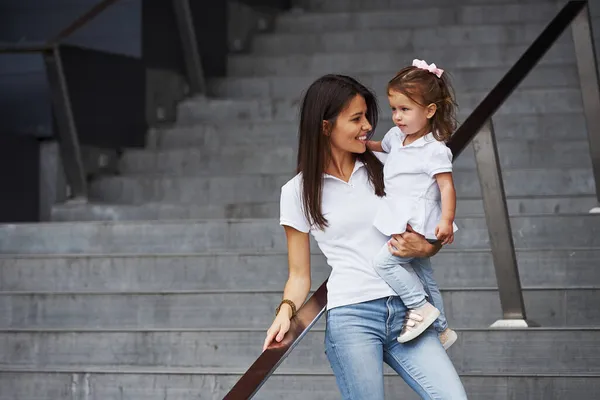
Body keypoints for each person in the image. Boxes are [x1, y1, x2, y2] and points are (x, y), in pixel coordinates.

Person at [263, 74, 467, 399]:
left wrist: (427, 248)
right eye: (356, 118)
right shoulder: (297, 192)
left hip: (408, 311)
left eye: (367, 117)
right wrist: (285, 312)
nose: (368, 126)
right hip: (353, 317)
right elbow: (299, 275)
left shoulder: (390, 162)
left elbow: (428, 221)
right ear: (326, 126)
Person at [366, 59, 459, 349]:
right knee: (423, 272)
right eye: (394, 109)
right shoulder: (397, 137)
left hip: (419, 220)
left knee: (385, 261)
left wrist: (446, 220)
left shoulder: (434, 150)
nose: (397, 117)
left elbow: (446, 187)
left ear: (429, 111)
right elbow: (380, 146)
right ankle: (442, 328)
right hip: (400, 213)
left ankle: (420, 306)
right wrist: (358, 142)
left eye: (405, 110)